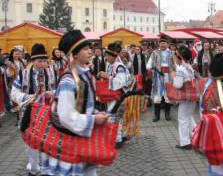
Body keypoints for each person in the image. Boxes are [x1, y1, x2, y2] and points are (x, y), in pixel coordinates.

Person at [41, 30, 109, 176]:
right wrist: (93, 119)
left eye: (89, 48)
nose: (90, 51)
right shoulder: (69, 80)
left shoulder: (85, 74)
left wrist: (96, 114)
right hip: (70, 141)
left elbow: (86, 106)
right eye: (85, 49)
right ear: (75, 54)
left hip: (82, 137)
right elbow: (66, 117)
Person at [11, 43, 55, 176]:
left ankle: (47, 169)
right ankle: (34, 168)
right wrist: (26, 96)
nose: (42, 64)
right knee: (31, 142)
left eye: (44, 61)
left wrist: (51, 93)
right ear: (32, 61)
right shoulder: (23, 74)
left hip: (47, 112)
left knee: (48, 141)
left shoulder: (51, 72)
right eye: (39, 61)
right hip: (29, 112)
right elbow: (13, 93)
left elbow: (58, 90)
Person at [98, 41, 135, 148]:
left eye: (108, 55)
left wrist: (107, 77)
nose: (106, 57)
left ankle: (117, 139)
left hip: (118, 95)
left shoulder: (119, 67)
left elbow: (120, 82)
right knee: (115, 117)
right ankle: (118, 137)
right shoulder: (111, 65)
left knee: (114, 117)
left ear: (113, 55)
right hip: (112, 95)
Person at [170, 46, 196, 150]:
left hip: (185, 97)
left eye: (176, 56)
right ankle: (196, 137)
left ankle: (185, 142)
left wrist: (173, 77)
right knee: (189, 117)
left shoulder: (180, 69)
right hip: (192, 96)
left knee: (183, 119)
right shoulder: (189, 66)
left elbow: (178, 85)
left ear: (179, 57)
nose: (175, 58)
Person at [146, 36, 176, 122]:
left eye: (164, 43)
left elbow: (177, 65)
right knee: (157, 97)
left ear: (167, 44)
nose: (162, 45)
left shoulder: (172, 53)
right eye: (161, 43)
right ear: (159, 44)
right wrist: (152, 68)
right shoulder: (154, 53)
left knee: (167, 97)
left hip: (169, 77)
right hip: (157, 78)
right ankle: (157, 116)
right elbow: (148, 65)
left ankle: (167, 114)